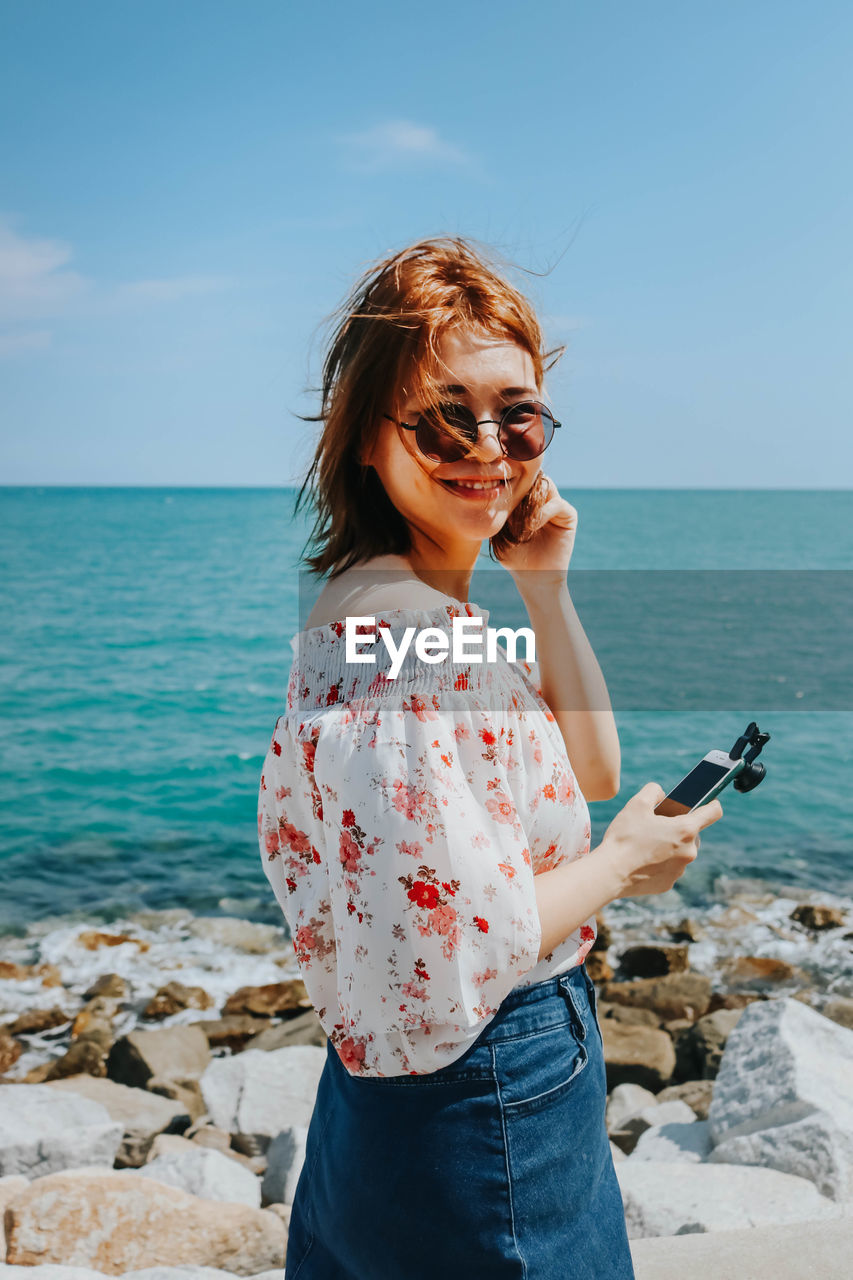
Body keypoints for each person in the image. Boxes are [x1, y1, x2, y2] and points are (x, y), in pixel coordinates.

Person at [257, 236, 723, 1279]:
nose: (487, 441)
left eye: (516, 411)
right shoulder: (414, 644)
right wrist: (621, 867)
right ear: (367, 437)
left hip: (383, 1097)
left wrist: (544, 587)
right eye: (442, 414)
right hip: (490, 1091)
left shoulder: (393, 606)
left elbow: (594, 767)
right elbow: (457, 950)